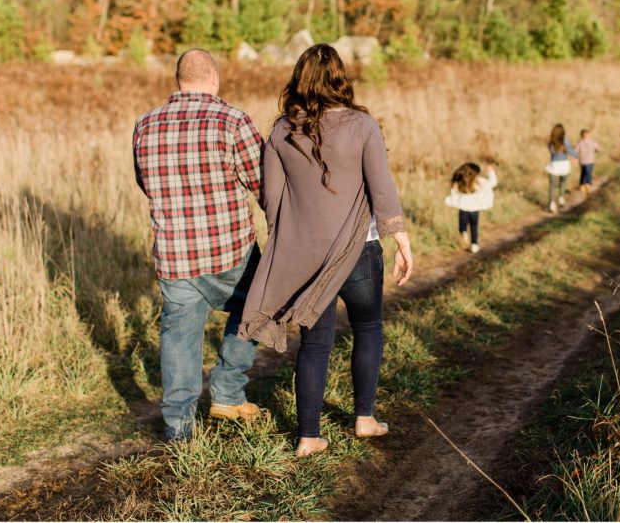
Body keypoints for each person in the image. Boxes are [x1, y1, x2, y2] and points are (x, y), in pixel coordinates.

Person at [238, 44, 414, 458]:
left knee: (314, 344)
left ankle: (308, 437)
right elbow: (382, 188)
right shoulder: (362, 124)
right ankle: (365, 418)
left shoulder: (282, 130)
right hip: (359, 249)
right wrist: (401, 240)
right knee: (368, 328)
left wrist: (288, 246)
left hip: (305, 255)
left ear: (299, 79)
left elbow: (273, 201)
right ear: (340, 77)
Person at [132, 48, 264, 443]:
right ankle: (226, 391)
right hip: (230, 252)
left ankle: (178, 426)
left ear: (178, 80)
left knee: (179, 336)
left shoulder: (145, 124)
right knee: (256, 308)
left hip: (174, 253)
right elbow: (264, 185)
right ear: (215, 78)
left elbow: (145, 183)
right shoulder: (233, 120)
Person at [445, 162, 498, 254]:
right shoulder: (479, 183)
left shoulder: (460, 183)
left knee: (462, 223)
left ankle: (464, 232)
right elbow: (493, 183)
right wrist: (491, 172)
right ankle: (474, 244)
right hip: (475, 210)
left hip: (463, 209)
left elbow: (454, 192)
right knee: (474, 226)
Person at [546, 123, 577, 213]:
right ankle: (561, 198)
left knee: (553, 186)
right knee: (563, 183)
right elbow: (570, 150)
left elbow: (551, 152)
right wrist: (577, 156)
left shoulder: (551, 142)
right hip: (564, 164)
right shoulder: (565, 141)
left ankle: (552, 203)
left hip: (554, 165)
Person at [575, 129, 603, 193]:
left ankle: (582, 185)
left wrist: (576, 158)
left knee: (583, 173)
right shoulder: (592, 142)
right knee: (588, 173)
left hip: (582, 161)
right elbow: (598, 149)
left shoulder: (580, 142)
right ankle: (588, 185)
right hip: (590, 161)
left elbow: (576, 151)